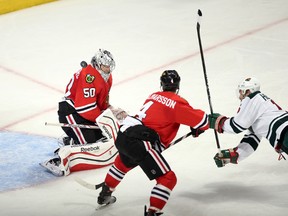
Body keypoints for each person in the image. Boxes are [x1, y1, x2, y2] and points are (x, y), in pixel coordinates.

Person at [96, 70, 210, 216]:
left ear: (161, 84)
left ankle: (105, 194)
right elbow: (202, 121)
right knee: (168, 179)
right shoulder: (176, 103)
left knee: (123, 164)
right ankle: (152, 213)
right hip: (141, 142)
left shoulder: (153, 96)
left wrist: (195, 126)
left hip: (124, 134)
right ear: (178, 85)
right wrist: (200, 127)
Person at [40, 49, 125, 176]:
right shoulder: (89, 77)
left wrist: (111, 110)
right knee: (91, 144)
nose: (108, 69)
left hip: (84, 111)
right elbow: (84, 108)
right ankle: (59, 159)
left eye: (109, 66)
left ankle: (71, 140)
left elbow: (101, 103)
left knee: (103, 138)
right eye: (105, 66)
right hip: (70, 111)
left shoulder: (107, 77)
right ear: (97, 64)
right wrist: (104, 119)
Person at [209, 77, 288, 167]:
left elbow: (236, 126)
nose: (239, 95)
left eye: (241, 91)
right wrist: (234, 155)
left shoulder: (252, 98)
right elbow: (252, 139)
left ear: (248, 91)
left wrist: (215, 122)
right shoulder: (262, 106)